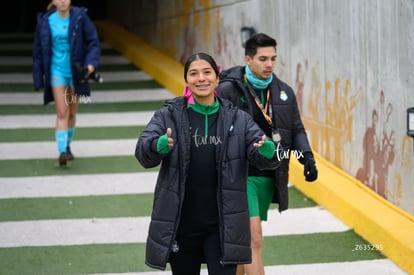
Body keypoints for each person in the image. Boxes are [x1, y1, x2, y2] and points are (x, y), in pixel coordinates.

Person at [135, 53, 281, 275]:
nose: (201, 78)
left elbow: (262, 151)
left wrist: (268, 151)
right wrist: (158, 146)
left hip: (224, 226)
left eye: (207, 72)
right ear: (186, 80)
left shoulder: (238, 119)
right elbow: (143, 151)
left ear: (217, 78)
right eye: (193, 73)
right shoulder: (169, 116)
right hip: (182, 224)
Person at [216, 33, 318, 275]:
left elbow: (296, 129)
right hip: (240, 175)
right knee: (254, 240)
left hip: (269, 175)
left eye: (273, 58)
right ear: (248, 59)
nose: (269, 64)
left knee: (245, 245)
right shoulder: (228, 90)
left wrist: (307, 157)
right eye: (263, 59)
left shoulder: (284, 91)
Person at [32, 0, 100, 166]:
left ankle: (67, 146)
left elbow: (93, 42)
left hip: (76, 73)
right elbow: (38, 52)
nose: (62, 1)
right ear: (54, 1)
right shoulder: (45, 21)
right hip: (57, 72)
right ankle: (62, 151)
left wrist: (90, 64)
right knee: (62, 112)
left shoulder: (80, 17)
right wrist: (37, 77)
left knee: (72, 112)